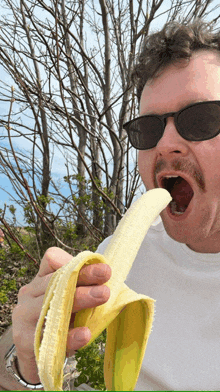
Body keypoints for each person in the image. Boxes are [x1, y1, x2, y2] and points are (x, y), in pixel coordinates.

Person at [1, 18, 220, 391]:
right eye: (147, 128)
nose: (165, 144)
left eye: (201, 119)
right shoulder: (130, 254)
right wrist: (25, 361)